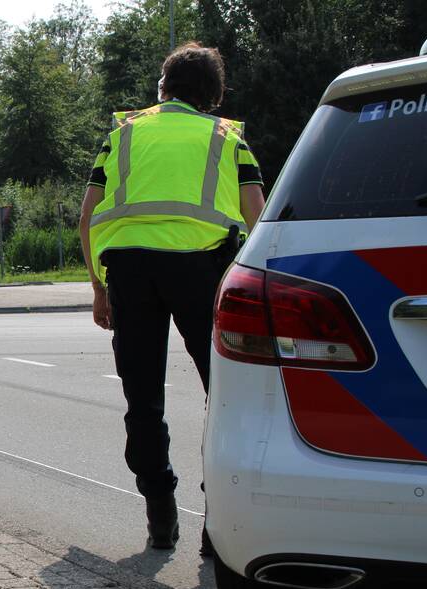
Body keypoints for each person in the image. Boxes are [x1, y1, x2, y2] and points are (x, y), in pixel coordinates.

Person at [78, 42, 266, 552]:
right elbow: (257, 217)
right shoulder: (228, 138)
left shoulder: (124, 133)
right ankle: (215, 524)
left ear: (162, 86)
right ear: (215, 94)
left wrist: (99, 288)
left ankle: (159, 510)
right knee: (223, 395)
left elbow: (88, 215)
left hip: (130, 272)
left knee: (143, 398)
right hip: (202, 272)